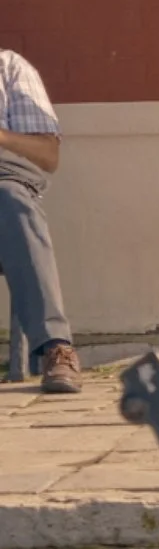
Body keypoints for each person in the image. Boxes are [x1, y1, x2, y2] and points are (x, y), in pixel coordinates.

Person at [0, 46, 79, 395]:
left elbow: (48, 155)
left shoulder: (9, 67)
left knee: (15, 202)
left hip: (2, 184)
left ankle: (56, 348)